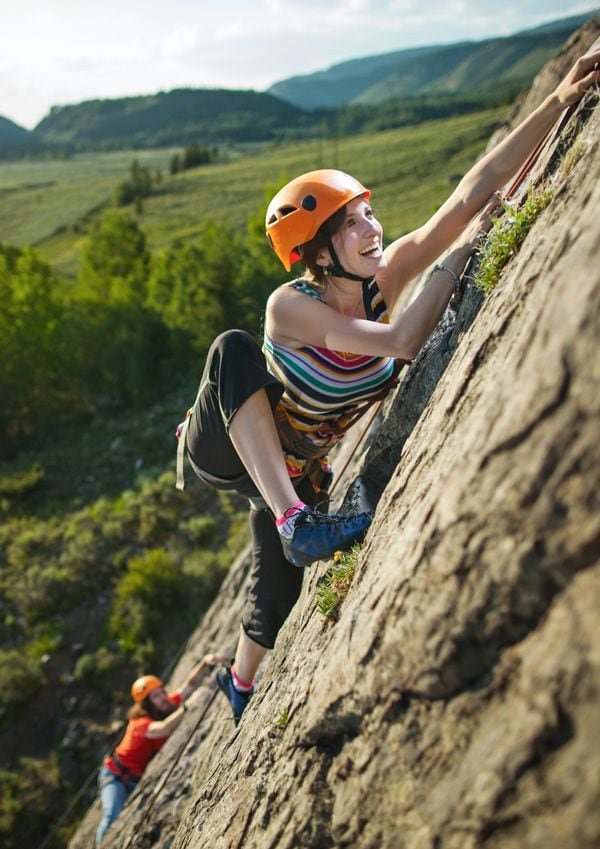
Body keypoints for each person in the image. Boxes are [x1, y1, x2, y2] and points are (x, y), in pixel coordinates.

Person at [177, 49, 600, 723]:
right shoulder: (292, 307)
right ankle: (295, 518)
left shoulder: (385, 279)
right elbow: (401, 343)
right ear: (318, 253)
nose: (372, 229)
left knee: (276, 588)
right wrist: (458, 258)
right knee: (230, 350)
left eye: (368, 212)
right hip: (226, 446)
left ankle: (240, 680)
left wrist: (561, 99)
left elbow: (470, 193)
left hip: (292, 463)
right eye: (351, 223)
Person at [95, 654, 226, 846]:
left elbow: (188, 686)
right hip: (114, 775)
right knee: (112, 813)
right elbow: (163, 729)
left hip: (133, 778)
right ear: (147, 704)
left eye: (161, 692)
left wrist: (205, 662)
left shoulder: (163, 707)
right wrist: (187, 708)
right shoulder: (140, 723)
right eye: (156, 696)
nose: (163, 698)